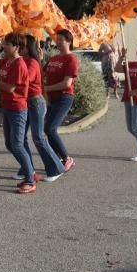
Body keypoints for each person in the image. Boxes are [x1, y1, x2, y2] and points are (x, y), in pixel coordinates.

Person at [0, 33, 40, 193]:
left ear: (16, 47)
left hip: (17, 108)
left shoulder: (19, 64)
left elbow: (11, 87)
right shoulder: (7, 61)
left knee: (17, 144)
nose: (5, 46)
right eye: (4, 44)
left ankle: (30, 179)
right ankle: (29, 171)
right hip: (7, 107)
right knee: (9, 144)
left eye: (7, 44)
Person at [21, 35, 66, 182]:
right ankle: (26, 168)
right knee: (21, 139)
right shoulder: (26, 61)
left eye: (21, 45)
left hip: (35, 102)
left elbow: (24, 80)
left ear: (28, 47)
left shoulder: (31, 62)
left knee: (38, 137)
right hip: (27, 102)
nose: (18, 47)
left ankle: (56, 167)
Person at [42, 29, 78, 171]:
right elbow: (41, 73)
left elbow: (67, 83)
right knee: (47, 129)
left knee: (50, 128)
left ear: (68, 42)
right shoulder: (53, 59)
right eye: (57, 39)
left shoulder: (71, 59)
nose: (57, 41)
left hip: (64, 97)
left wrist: (46, 89)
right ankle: (56, 158)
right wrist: (39, 58)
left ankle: (66, 158)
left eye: (61, 39)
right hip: (51, 98)